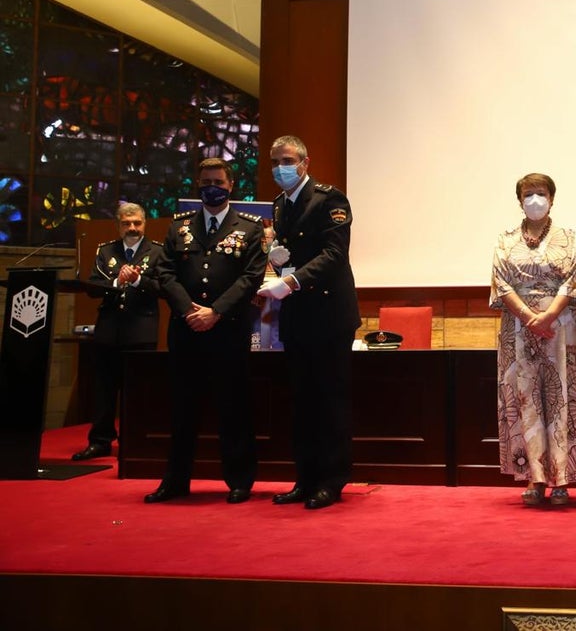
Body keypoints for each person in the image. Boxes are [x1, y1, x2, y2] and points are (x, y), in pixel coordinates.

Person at [145, 158, 265, 504]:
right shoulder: (179, 227)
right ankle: (175, 481)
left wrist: (215, 312)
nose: (211, 186)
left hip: (227, 330)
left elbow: (250, 278)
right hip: (186, 330)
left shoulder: (250, 228)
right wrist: (188, 310)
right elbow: (165, 273)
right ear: (198, 185)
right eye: (205, 181)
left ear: (230, 186)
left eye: (218, 181)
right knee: (182, 409)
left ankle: (240, 481)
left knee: (234, 407)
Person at [257, 135, 360, 510]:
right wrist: (278, 264)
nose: (280, 168)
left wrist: (292, 280)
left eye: (287, 160)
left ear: (305, 161)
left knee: (329, 400)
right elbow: (290, 251)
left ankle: (331, 482)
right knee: (301, 401)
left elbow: (334, 254)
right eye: (274, 161)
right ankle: (305, 478)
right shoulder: (281, 203)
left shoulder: (330, 199)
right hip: (297, 313)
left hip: (329, 314)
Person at [490, 173, 576, 506]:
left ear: (552, 198)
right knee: (524, 400)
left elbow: (574, 282)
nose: (535, 199)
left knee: (561, 397)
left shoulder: (568, 238)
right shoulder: (505, 240)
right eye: (528, 194)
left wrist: (546, 317)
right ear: (519, 200)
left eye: (541, 193)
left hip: (560, 327)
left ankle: (561, 479)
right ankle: (534, 478)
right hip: (517, 330)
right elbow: (501, 285)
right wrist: (529, 317)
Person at [71, 202, 165, 461]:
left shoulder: (157, 252)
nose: (132, 228)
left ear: (144, 224)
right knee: (103, 388)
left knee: (137, 389)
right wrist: (117, 282)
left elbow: (164, 288)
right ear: (118, 225)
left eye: (136, 223)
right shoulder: (105, 251)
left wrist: (137, 280)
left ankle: (135, 440)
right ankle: (100, 440)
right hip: (109, 329)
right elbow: (93, 286)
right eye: (126, 223)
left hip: (141, 329)